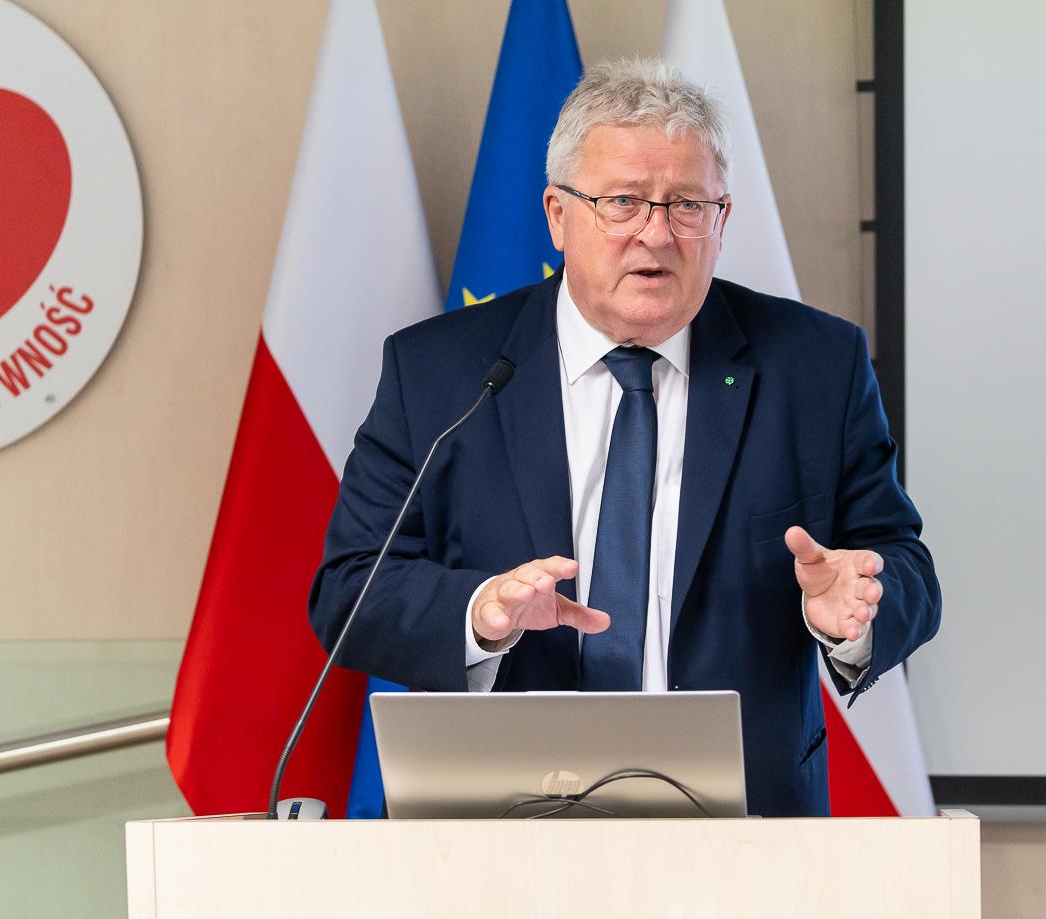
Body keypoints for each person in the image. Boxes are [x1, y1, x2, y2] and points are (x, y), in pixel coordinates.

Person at [309, 58, 939, 817]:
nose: (658, 234)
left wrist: (858, 608)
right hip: (495, 827)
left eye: (688, 205)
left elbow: (905, 566)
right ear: (557, 216)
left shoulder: (815, 366)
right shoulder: (440, 373)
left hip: (746, 828)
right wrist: (479, 610)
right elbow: (350, 591)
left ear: (722, 219)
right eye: (623, 202)